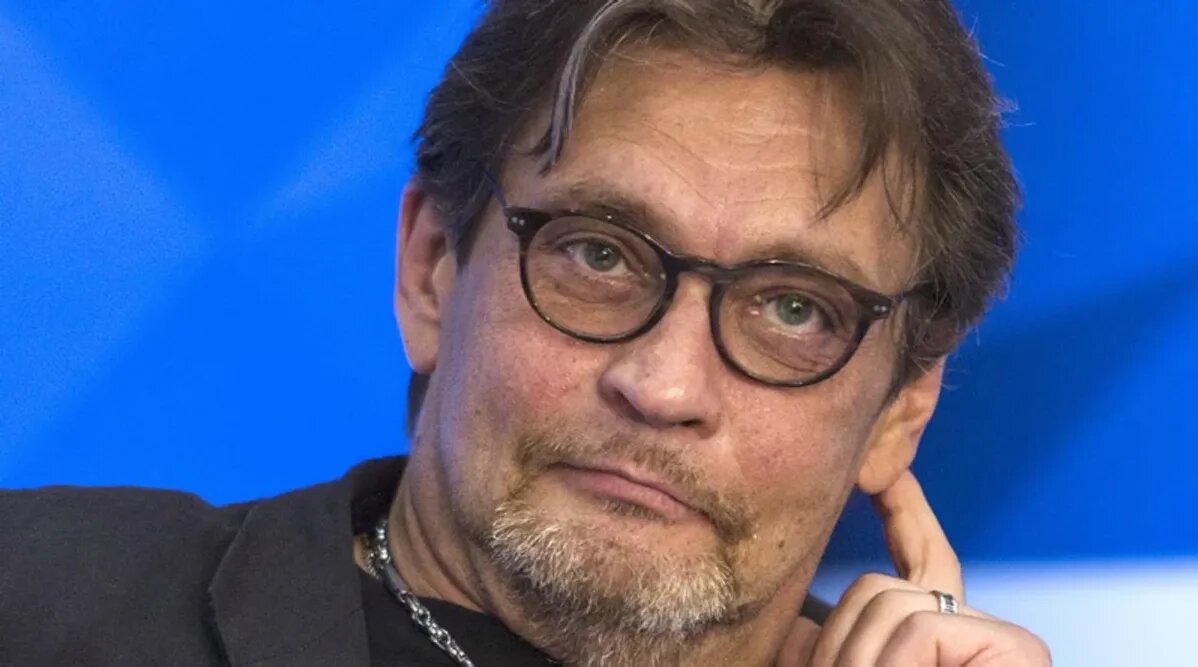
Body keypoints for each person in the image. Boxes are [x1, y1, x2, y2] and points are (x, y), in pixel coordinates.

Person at [0, 0, 1052, 665]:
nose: (665, 383)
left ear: (902, 406)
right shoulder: (34, 601)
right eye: (598, 254)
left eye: (793, 308)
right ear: (431, 268)